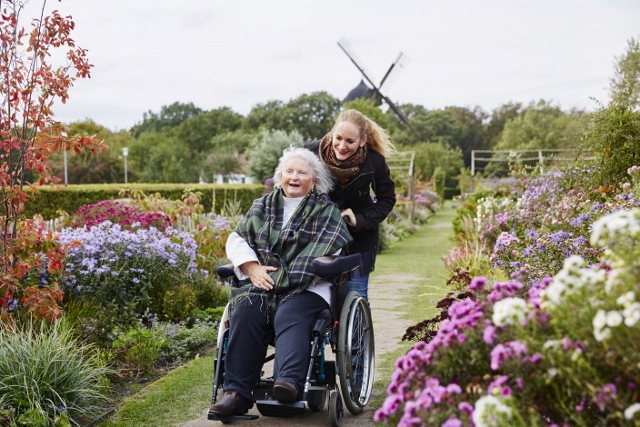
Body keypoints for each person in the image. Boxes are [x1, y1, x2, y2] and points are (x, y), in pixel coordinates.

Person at [209, 147, 353, 417]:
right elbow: (237, 238)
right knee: (247, 310)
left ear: (314, 181)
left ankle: (288, 382)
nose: (295, 177)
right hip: (262, 284)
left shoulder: (325, 210)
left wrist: (287, 275)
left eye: (302, 172)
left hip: (308, 285)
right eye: (289, 171)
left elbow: (330, 248)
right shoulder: (262, 206)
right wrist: (252, 268)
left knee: (291, 311)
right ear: (280, 177)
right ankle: (236, 394)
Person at [304, 109, 396, 301]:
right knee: (320, 295)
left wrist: (360, 220)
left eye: (350, 141)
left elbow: (387, 199)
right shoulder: (311, 153)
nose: (342, 146)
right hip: (320, 236)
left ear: (362, 140)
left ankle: (358, 331)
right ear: (332, 133)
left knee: (356, 295)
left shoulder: (374, 161)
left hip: (359, 239)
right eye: (338, 138)